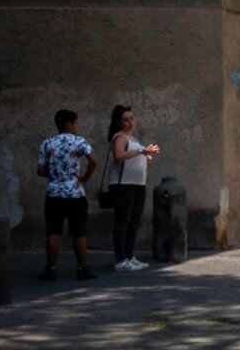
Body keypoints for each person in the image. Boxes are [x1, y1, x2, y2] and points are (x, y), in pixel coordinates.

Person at [37, 107, 96, 282]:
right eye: (76, 122)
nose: (77, 126)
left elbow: (40, 170)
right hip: (75, 193)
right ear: (69, 124)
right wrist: (84, 177)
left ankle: (51, 269)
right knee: (78, 231)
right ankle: (81, 268)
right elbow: (94, 160)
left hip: (54, 192)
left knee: (53, 231)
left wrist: (55, 174)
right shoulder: (79, 142)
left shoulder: (47, 143)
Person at [106, 105, 158, 271]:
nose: (130, 122)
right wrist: (142, 151)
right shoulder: (120, 137)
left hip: (137, 184)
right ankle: (121, 259)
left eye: (132, 118)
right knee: (122, 222)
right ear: (119, 122)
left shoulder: (134, 139)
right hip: (123, 186)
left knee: (134, 223)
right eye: (125, 119)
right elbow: (119, 155)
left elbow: (135, 156)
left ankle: (129, 256)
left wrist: (146, 155)